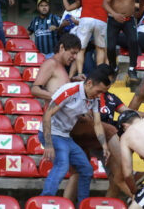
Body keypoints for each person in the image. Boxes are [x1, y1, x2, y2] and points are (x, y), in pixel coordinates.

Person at [38, 68, 111, 208]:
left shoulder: (93, 98)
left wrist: (105, 146)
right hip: (52, 133)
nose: (99, 96)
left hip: (65, 136)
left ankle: (82, 205)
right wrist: (48, 144)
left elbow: (97, 123)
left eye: (102, 92)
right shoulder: (69, 91)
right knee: (62, 165)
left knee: (87, 169)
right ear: (89, 83)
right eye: (99, 91)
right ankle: (45, 202)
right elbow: (47, 114)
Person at [66, 64, 136, 199]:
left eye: (111, 81)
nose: (109, 84)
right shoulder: (87, 91)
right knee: (78, 174)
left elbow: (128, 112)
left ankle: (108, 204)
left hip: (103, 141)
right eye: (107, 80)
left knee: (116, 178)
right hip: (85, 137)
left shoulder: (111, 97)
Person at [61, 0, 108, 78]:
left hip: (86, 18)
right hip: (102, 19)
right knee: (100, 49)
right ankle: (99, 74)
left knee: (81, 49)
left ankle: (79, 74)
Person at [102, 0, 144, 81]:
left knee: (134, 41)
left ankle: (132, 69)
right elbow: (105, 3)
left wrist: (140, 12)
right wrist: (114, 14)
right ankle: (114, 67)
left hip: (129, 19)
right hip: (113, 19)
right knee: (110, 47)